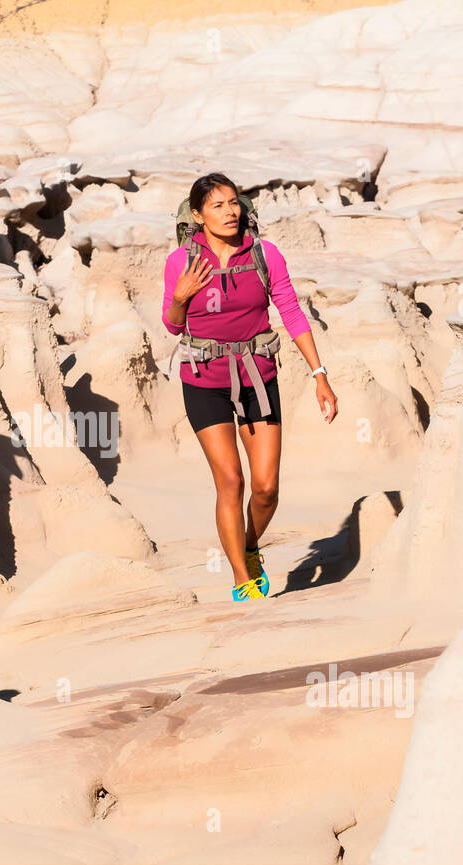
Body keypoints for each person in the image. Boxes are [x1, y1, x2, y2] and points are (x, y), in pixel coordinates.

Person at [162, 172, 338, 601]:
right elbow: (172, 324)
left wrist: (320, 376)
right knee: (231, 481)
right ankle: (243, 583)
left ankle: (250, 544)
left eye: (233, 203)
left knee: (265, 488)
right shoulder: (181, 261)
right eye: (217, 206)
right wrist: (182, 297)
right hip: (204, 381)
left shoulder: (264, 254)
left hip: (257, 377)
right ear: (198, 215)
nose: (229, 212)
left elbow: (292, 313)